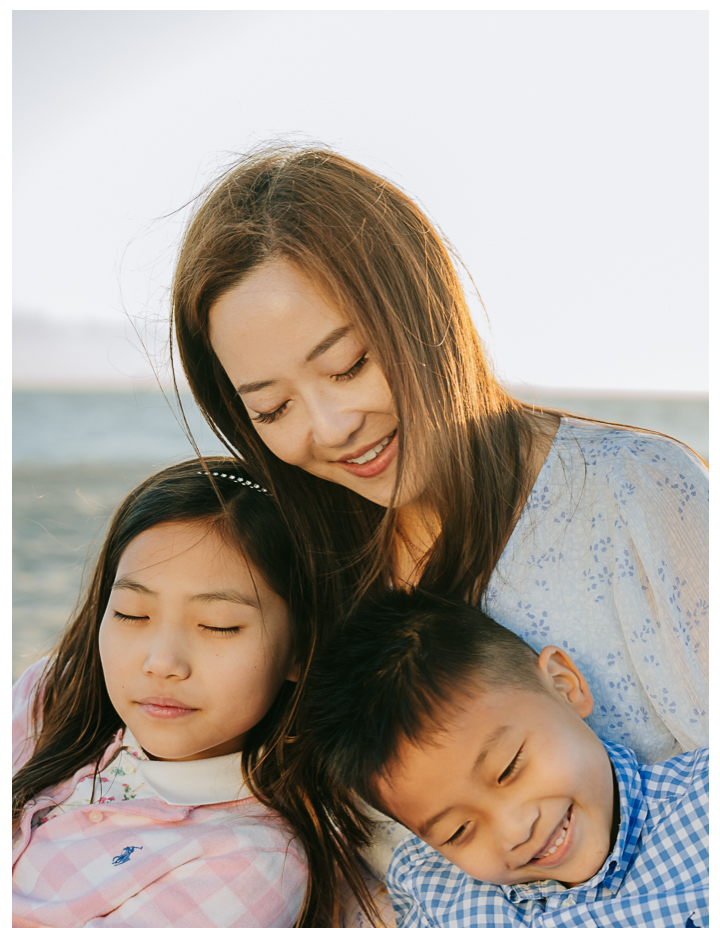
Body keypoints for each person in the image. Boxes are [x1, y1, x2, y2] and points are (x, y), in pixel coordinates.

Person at [171, 146, 708, 878]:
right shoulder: (314, 575)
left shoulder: (637, 491)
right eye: (272, 407)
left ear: (425, 308)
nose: (329, 427)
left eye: (350, 365)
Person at [261, 590, 708, 928]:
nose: (515, 830)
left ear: (563, 684)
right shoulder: (446, 903)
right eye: (457, 832)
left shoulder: (701, 805)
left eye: (510, 767)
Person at [13, 458, 310, 928]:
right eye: (131, 614)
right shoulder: (51, 697)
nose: (162, 660)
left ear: (301, 650)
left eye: (218, 625)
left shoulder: (252, 862)